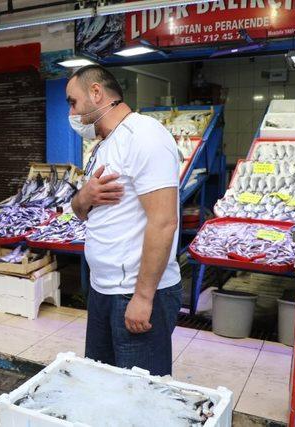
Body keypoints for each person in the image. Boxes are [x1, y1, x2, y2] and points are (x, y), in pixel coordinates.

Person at [67, 65, 182, 376]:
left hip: (135, 294)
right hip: (103, 290)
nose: (72, 112)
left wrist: (143, 297)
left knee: (140, 395)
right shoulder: (102, 147)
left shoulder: (144, 135)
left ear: (96, 93)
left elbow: (164, 221)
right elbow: (79, 209)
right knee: (104, 384)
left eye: (73, 102)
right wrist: (85, 197)